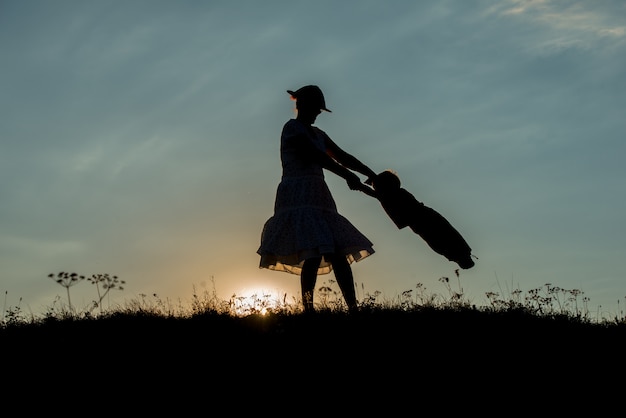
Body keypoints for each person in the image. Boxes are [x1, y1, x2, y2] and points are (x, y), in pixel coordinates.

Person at [257, 85, 377, 313]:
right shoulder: (292, 129)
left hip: (318, 194)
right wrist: (347, 176)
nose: (318, 113)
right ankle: (309, 309)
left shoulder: (319, 134)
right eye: (316, 108)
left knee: (337, 251)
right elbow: (316, 156)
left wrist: (370, 173)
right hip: (298, 194)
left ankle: (353, 307)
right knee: (312, 251)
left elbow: (342, 156)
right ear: (302, 105)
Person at [369, 169, 475, 269]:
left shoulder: (396, 195)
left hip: (424, 223)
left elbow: (380, 196)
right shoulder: (397, 194)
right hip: (425, 222)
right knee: (443, 238)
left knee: (442, 239)